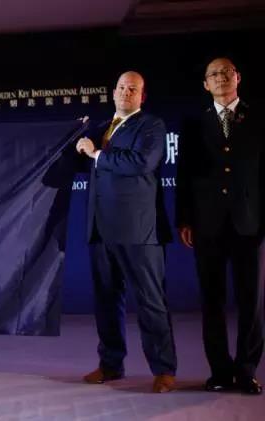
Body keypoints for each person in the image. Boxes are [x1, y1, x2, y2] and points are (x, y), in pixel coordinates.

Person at [76, 71, 177, 393]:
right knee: (106, 301)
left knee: (150, 301)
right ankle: (110, 364)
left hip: (139, 230)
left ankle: (164, 370)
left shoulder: (151, 125)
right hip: (100, 228)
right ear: (113, 92)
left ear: (142, 96)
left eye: (132, 89)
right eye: (121, 87)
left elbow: (141, 163)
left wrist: (97, 153)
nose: (125, 93)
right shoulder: (102, 127)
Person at [176, 57, 264, 395]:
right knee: (212, 301)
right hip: (207, 223)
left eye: (227, 72)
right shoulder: (194, 124)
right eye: (213, 74)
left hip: (249, 222)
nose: (220, 77)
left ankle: (246, 370)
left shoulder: (259, 117)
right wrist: (185, 218)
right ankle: (220, 372)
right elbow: (184, 175)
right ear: (205, 84)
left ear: (238, 77)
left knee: (250, 301)